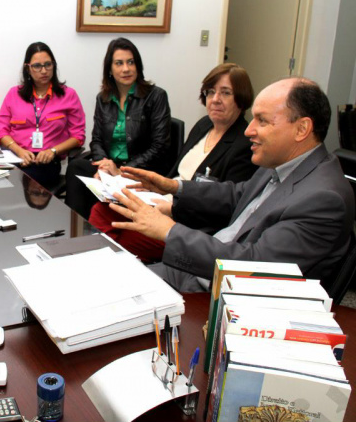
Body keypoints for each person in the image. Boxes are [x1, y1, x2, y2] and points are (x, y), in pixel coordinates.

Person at [108, 77, 354, 293]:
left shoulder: (323, 199)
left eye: (262, 121)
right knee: (106, 279)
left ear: (302, 129)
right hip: (198, 272)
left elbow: (254, 265)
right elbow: (237, 195)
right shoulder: (282, 163)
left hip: (216, 298)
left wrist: (168, 230)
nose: (248, 130)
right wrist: (173, 187)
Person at [89, 63, 258, 261]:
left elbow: (226, 209)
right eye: (210, 92)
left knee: (120, 237)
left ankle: (103, 262)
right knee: (102, 210)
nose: (216, 100)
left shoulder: (244, 145)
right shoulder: (204, 125)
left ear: (241, 98)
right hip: (162, 202)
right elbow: (177, 175)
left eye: (226, 93)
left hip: (187, 226)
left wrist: (171, 209)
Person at [65, 37, 171, 219]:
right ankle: (77, 226)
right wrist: (103, 167)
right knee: (76, 167)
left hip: (140, 170)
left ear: (138, 66)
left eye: (131, 62)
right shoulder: (103, 98)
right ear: (110, 70)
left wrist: (122, 171)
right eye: (119, 63)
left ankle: (100, 228)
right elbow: (96, 140)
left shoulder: (156, 96)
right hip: (111, 168)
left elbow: (160, 146)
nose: (126, 69)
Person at [0, 42, 86, 191]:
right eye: (37, 66)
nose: (44, 71)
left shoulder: (68, 95)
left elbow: (78, 136)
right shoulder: (14, 94)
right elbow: (0, 131)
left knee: (22, 179)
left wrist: (53, 151)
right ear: (27, 68)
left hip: (47, 162)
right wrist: (19, 151)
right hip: (16, 157)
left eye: (48, 65)